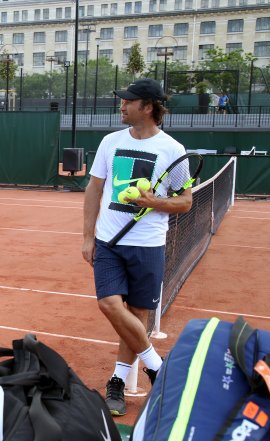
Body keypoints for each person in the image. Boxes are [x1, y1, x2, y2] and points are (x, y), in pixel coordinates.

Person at [81, 78, 192, 417]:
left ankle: (117, 380)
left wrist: (153, 201)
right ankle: (157, 365)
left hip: (148, 245)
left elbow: (185, 202)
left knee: (138, 316)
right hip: (110, 242)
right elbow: (94, 189)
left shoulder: (173, 150)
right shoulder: (109, 142)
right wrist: (87, 236)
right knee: (110, 304)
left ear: (147, 106)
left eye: (127, 101)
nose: (121, 106)